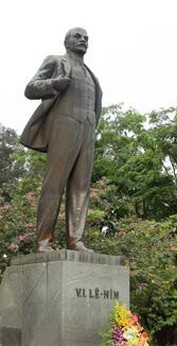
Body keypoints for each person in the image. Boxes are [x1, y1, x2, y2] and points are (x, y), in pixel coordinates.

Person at [23, 28, 103, 253]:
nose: (83, 40)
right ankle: (43, 242)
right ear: (66, 41)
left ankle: (75, 241)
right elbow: (30, 89)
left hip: (87, 128)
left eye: (86, 38)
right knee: (54, 183)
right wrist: (54, 84)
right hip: (64, 123)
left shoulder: (90, 74)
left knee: (81, 186)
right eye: (78, 36)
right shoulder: (56, 61)